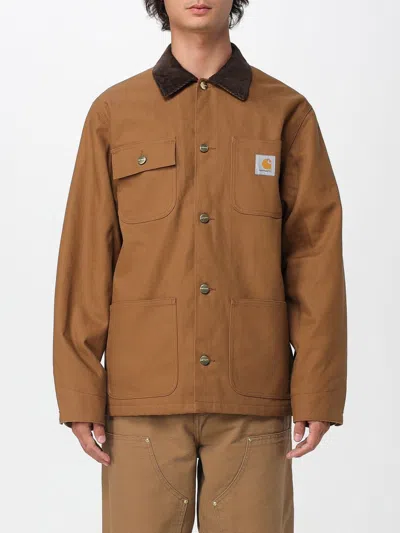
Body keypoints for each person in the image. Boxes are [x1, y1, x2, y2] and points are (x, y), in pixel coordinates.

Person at [52, 1, 347, 532]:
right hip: (142, 398)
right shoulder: (114, 114)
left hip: (252, 393)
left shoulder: (287, 113)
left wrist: (318, 386)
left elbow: (314, 256)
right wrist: (79, 390)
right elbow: (87, 255)